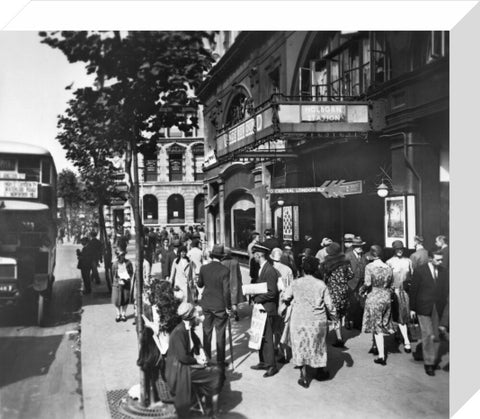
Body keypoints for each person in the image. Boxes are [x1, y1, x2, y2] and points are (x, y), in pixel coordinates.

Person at [283, 256, 337, 388]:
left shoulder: (296, 283)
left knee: (300, 344)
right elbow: (329, 305)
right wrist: (335, 318)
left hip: (299, 319)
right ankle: (319, 371)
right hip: (317, 320)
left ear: (303, 269)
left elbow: (286, 296)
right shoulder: (321, 284)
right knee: (318, 344)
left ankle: (303, 377)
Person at [165, 302, 223, 419]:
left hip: (184, 366)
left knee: (216, 367)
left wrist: (201, 351)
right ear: (191, 316)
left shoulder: (187, 328)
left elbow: (196, 342)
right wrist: (198, 361)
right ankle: (212, 410)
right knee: (215, 373)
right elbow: (183, 357)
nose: (198, 316)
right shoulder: (179, 332)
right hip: (179, 370)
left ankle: (209, 406)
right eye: (196, 313)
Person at [409, 250, 449, 376]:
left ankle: (431, 357)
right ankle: (429, 363)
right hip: (423, 307)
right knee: (427, 334)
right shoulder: (420, 271)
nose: (440, 262)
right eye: (438, 259)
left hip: (438, 307)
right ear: (431, 259)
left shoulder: (444, 271)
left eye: (441, 259)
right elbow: (413, 290)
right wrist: (412, 309)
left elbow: (445, 290)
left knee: (436, 336)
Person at [197, 244, 231, 372]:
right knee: (220, 333)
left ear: (212, 256)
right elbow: (226, 291)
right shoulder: (225, 271)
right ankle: (220, 362)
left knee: (207, 332)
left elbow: (200, 284)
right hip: (220, 306)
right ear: (222, 257)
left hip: (206, 304)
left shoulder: (204, 268)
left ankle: (207, 359)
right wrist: (228, 307)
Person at [249, 242, 279, 378]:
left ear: (258, 255)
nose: (253, 257)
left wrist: (258, 298)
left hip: (267, 308)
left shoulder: (270, 270)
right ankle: (263, 361)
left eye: (254, 254)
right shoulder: (262, 268)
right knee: (260, 336)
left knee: (267, 338)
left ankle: (272, 365)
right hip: (262, 307)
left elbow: (272, 292)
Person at [361, 245, 394, 365]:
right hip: (386, 296)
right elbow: (391, 284)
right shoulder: (388, 267)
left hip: (374, 296)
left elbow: (367, 283)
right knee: (380, 323)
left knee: (377, 326)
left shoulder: (369, 267)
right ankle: (374, 346)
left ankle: (381, 356)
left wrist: (362, 290)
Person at [318, 242, 353, 348]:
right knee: (340, 313)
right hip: (344, 289)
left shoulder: (327, 262)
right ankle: (339, 334)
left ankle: (338, 338)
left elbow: (322, 275)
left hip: (332, 290)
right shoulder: (345, 262)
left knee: (332, 314)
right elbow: (351, 274)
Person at [386, 240, 414, 354]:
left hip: (406, 292)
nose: (399, 251)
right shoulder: (389, 262)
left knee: (404, 316)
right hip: (395, 291)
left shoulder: (408, 261)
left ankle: (403, 338)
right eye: (397, 249)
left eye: (401, 248)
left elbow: (412, 276)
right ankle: (403, 338)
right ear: (394, 250)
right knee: (397, 315)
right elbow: (387, 279)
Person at [270, 247, 294, 362]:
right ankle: (284, 352)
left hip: (272, 302)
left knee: (274, 327)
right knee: (283, 327)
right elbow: (290, 287)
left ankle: (276, 348)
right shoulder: (288, 269)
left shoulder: (269, 269)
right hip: (284, 302)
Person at [344, 236, 367, 330]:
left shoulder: (364, 256)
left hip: (361, 283)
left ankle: (357, 323)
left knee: (360, 304)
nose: (359, 248)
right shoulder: (348, 256)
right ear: (353, 246)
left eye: (360, 246)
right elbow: (344, 270)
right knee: (350, 303)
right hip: (351, 283)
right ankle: (348, 321)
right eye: (357, 246)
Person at [221, 247, 245, 321]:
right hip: (235, 282)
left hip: (225, 282)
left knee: (225, 297)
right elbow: (239, 274)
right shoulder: (235, 262)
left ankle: (227, 312)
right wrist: (240, 282)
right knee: (234, 299)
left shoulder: (222, 263)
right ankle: (235, 312)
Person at [111, 249, 134, 322]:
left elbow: (131, 272)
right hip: (117, 284)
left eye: (123, 255)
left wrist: (126, 279)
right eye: (121, 255)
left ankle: (123, 314)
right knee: (117, 300)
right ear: (118, 256)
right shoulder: (115, 264)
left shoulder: (128, 263)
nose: (122, 256)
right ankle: (118, 314)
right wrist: (118, 280)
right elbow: (113, 274)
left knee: (125, 298)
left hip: (126, 283)